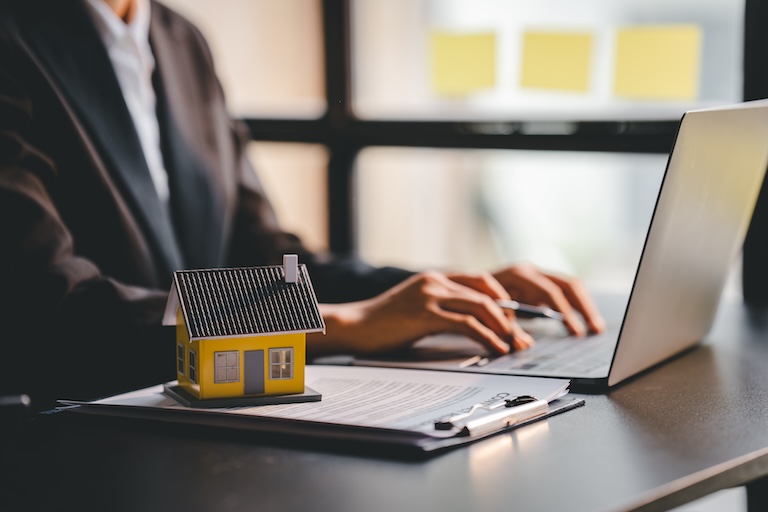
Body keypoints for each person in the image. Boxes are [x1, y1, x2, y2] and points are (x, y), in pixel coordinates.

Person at [0, 0, 604, 407]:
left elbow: (267, 261)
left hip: (206, 427)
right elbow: (53, 310)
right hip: (70, 444)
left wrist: (438, 289)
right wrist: (340, 323)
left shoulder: (180, 41)